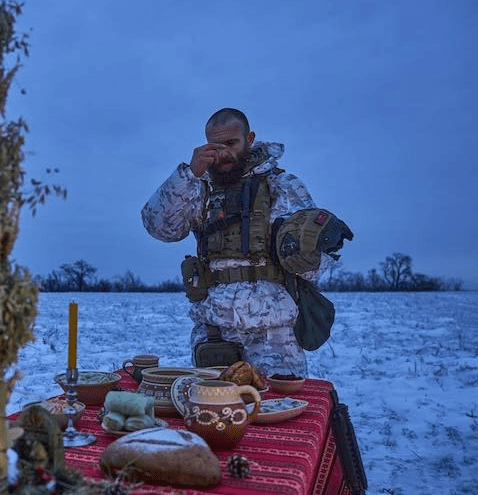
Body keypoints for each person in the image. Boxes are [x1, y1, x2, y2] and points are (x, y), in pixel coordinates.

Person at [141, 108, 343, 377]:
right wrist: (190, 174)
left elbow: (316, 260)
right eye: (215, 145)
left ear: (249, 139)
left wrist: (302, 254)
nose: (223, 153)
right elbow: (160, 227)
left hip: (273, 335)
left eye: (231, 144)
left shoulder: (283, 186)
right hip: (215, 330)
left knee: (278, 411)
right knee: (216, 413)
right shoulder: (200, 188)